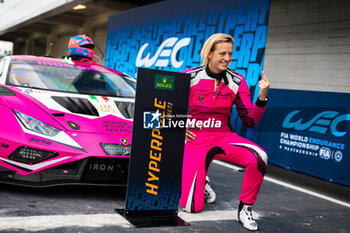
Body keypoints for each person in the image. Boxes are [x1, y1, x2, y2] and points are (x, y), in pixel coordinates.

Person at [179, 33, 270, 231]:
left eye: (230, 53)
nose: (227, 58)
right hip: (195, 140)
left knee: (259, 156)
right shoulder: (190, 77)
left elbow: (249, 120)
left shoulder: (237, 80)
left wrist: (262, 98)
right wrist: (180, 123)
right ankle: (201, 182)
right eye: (222, 53)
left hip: (223, 137)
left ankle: (245, 210)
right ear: (209, 54)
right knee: (190, 208)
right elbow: (164, 106)